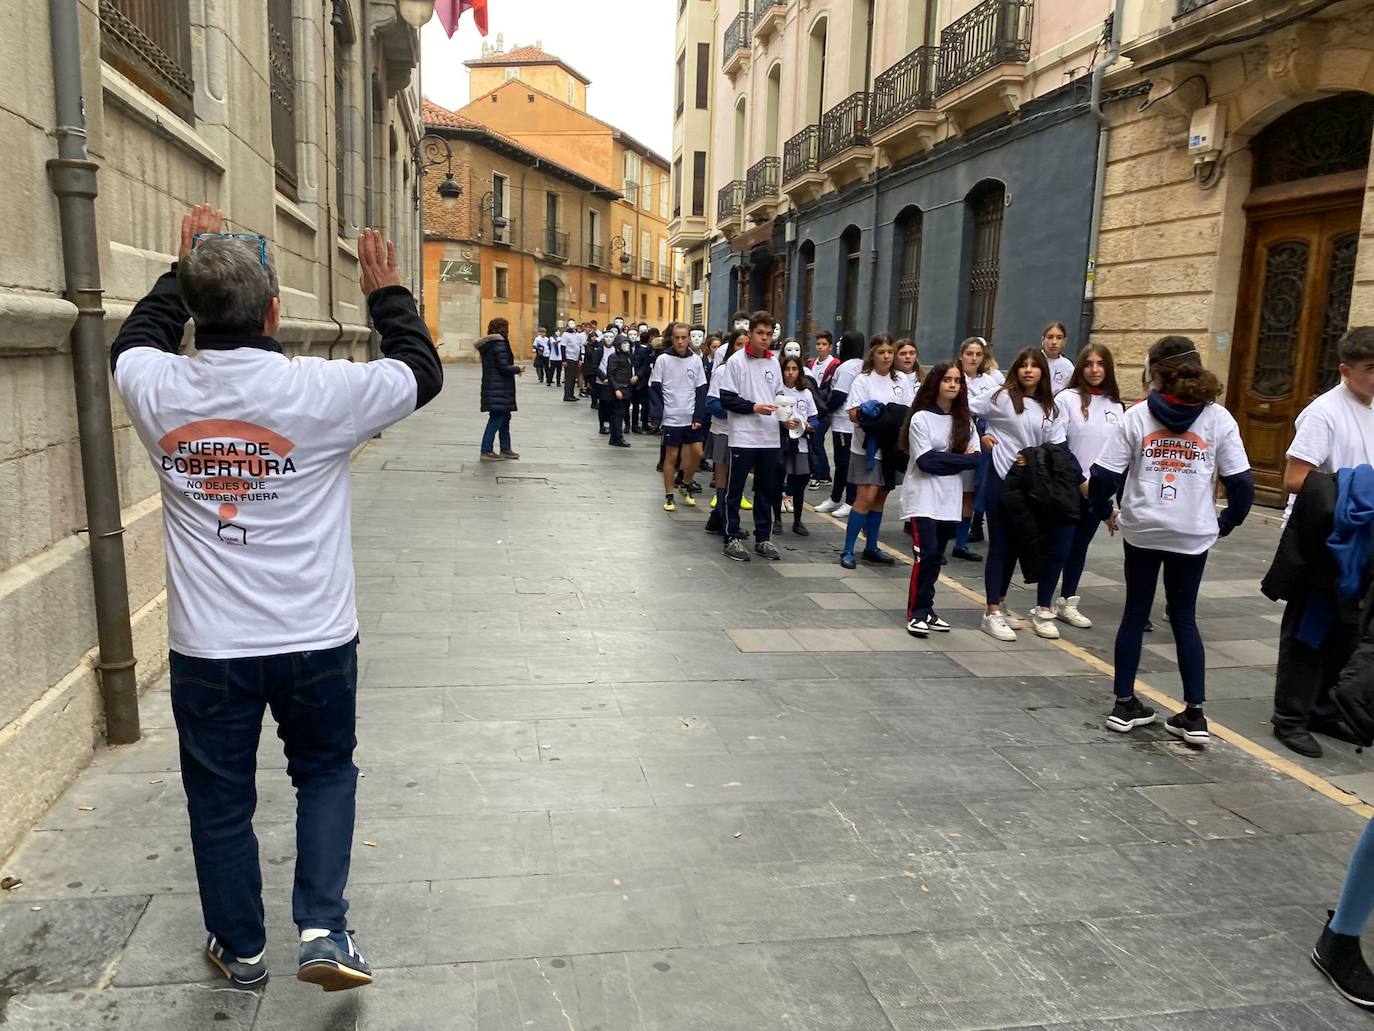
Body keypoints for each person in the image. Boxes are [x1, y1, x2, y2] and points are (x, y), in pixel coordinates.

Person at [110, 207, 442, 992]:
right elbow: (419, 371)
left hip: (209, 647)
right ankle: (325, 927)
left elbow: (135, 337)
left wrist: (178, 267)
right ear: (273, 313)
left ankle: (241, 945)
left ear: (193, 315)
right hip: (316, 636)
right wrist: (387, 292)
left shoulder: (154, 386)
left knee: (219, 799)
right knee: (325, 772)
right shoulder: (322, 391)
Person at [1089, 335, 1254, 744]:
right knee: (1183, 617)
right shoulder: (1218, 418)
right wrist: (1225, 523)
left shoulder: (1138, 416)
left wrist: (1107, 512)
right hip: (1192, 532)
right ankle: (1194, 714)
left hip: (1143, 527)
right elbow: (1242, 485)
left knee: (1134, 612)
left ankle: (1124, 703)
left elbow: (1102, 479)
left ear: (1154, 373)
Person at [1270, 327, 1374, 757]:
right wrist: (1359, 487)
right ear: (1345, 370)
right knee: (1309, 632)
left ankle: (1324, 710)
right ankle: (1289, 718)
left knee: (1347, 632)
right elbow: (1295, 478)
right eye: (1371, 369)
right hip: (1323, 539)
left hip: (1362, 540)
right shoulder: (1324, 412)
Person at [969, 348, 1069, 641]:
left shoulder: (1052, 408)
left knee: (1017, 544)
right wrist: (980, 438)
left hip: (1033, 486)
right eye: (1023, 365)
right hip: (1002, 481)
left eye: (1034, 366)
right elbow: (965, 410)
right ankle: (990, 611)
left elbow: (1057, 448)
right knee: (1000, 545)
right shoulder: (1001, 397)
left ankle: (1001, 602)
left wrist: (1037, 457)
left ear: (1042, 372)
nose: (1028, 370)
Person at [1046, 344, 1126, 629]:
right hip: (1069, 486)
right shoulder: (1066, 399)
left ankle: (1068, 601)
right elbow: (1058, 444)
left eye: (1100, 364)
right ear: (1080, 367)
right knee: (1060, 547)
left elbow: (1119, 452)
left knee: (1080, 547)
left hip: (1098, 490)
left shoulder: (1116, 405)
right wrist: (1080, 481)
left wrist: (1107, 502)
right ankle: (1043, 606)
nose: (1095, 369)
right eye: (1089, 363)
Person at [900, 362, 980, 636]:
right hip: (923, 498)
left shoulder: (964, 421)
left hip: (950, 499)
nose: (953, 385)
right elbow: (925, 462)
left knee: (937, 557)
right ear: (936, 383)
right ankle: (916, 613)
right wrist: (960, 460)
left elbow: (977, 459)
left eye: (957, 381)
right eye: (947, 379)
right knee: (926, 555)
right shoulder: (921, 418)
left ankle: (929, 609)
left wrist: (948, 459)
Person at [718, 312, 788, 561]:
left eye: (769, 334)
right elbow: (727, 398)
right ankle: (732, 536)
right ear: (750, 334)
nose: (765, 339)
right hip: (743, 437)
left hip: (769, 437)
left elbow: (779, 395)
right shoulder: (736, 362)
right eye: (760, 333)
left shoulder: (773, 362)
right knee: (735, 489)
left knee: (766, 490)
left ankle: (763, 537)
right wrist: (754, 407)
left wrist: (786, 415)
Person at [839, 335, 909, 569]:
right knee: (865, 497)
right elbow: (853, 413)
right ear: (873, 354)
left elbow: (908, 411)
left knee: (881, 496)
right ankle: (848, 549)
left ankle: (871, 546)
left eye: (890, 351)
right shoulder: (863, 380)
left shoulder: (901, 380)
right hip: (866, 447)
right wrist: (872, 414)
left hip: (892, 447)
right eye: (882, 352)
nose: (887, 356)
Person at [952, 337, 1003, 561]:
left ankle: (961, 542)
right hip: (955, 438)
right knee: (949, 489)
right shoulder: (953, 377)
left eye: (978, 354)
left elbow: (996, 412)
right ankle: (938, 540)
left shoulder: (990, 382)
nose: (973, 358)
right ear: (961, 355)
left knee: (969, 493)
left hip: (980, 441)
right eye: (969, 353)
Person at [652, 322, 709, 511]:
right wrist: (660, 413)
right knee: (672, 455)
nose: (680, 341)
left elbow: (701, 389)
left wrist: (699, 416)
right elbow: (655, 387)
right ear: (672, 338)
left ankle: (685, 484)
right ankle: (669, 495)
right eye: (677, 337)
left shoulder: (695, 360)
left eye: (684, 337)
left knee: (698, 453)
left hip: (691, 415)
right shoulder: (663, 359)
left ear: (689, 338)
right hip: (672, 416)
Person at [814, 330, 866, 518]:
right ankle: (836, 498)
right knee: (843, 462)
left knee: (845, 464)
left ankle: (850, 500)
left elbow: (839, 395)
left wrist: (822, 411)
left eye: (842, 342)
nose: (838, 345)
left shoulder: (848, 368)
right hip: (845, 423)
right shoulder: (856, 366)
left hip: (845, 424)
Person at [703, 329, 750, 533]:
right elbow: (712, 402)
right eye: (739, 344)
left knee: (737, 478)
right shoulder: (723, 370)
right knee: (723, 477)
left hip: (744, 433)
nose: (742, 349)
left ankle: (719, 518)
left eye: (745, 345)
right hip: (723, 431)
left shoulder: (752, 369)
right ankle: (722, 517)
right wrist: (737, 411)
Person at [775, 355, 818, 534]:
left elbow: (815, 418)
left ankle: (797, 520)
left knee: (800, 480)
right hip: (780, 441)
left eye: (794, 369)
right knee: (777, 479)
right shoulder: (777, 391)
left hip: (800, 441)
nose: (790, 373)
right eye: (787, 369)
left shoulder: (805, 393)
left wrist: (809, 425)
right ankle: (776, 518)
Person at [476, 318, 523, 460]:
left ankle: (506, 448)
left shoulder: (490, 344)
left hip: (495, 387)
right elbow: (503, 367)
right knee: (496, 418)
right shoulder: (499, 344)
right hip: (499, 387)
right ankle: (486, 450)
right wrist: (518, 368)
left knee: (505, 417)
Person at [806, 331, 839, 489]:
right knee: (815, 441)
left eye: (824, 344)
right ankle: (825, 474)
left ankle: (817, 474)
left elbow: (832, 389)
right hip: (813, 407)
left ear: (830, 347)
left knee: (817, 440)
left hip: (825, 410)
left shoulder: (834, 365)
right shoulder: (812, 363)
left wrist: (825, 405)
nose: (820, 347)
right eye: (818, 344)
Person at [605, 331, 634, 448]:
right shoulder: (614, 357)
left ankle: (614, 437)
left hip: (626, 388)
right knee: (618, 414)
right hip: (619, 389)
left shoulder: (628, 356)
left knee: (619, 413)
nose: (627, 345)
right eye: (624, 343)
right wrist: (616, 389)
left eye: (628, 343)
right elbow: (611, 374)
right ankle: (617, 437)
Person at [631, 329, 657, 433]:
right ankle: (642, 424)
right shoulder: (649, 350)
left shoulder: (640, 350)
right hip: (644, 380)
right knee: (643, 404)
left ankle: (637, 424)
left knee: (639, 404)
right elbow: (643, 365)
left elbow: (637, 365)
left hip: (641, 380)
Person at [1041, 321, 1075, 393]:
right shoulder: (1034, 360)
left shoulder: (1067, 366)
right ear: (1043, 340)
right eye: (1050, 337)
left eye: (1059, 338)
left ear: (1064, 342)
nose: (1054, 342)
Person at [560, 320, 581, 401]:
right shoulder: (565, 335)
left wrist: (579, 359)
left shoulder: (576, 335)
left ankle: (571, 394)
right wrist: (564, 360)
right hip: (569, 358)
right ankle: (567, 395)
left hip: (575, 359)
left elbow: (578, 347)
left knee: (573, 377)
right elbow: (563, 347)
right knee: (569, 377)